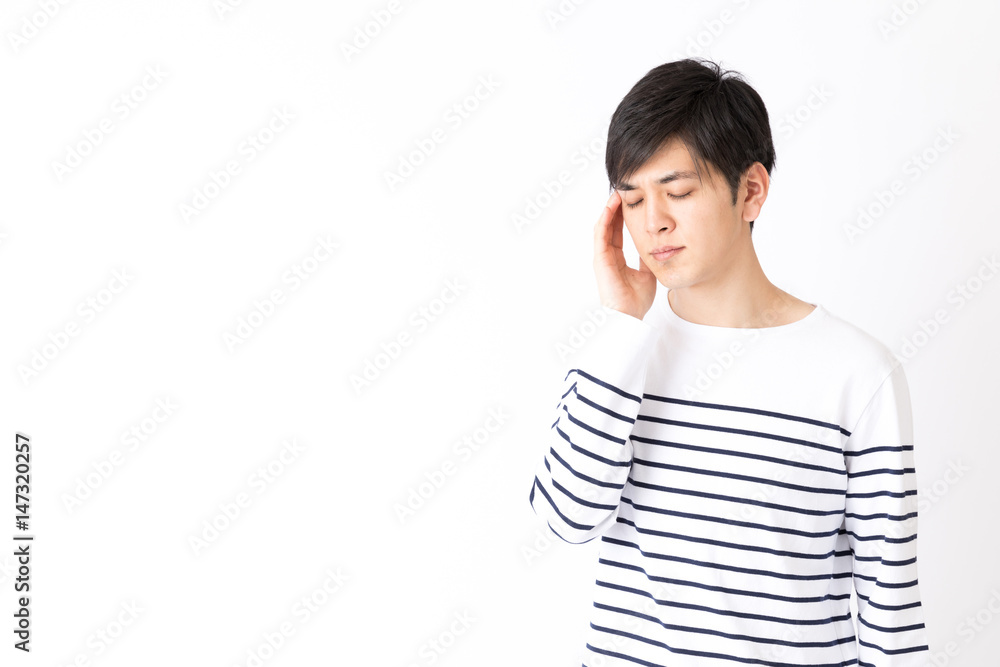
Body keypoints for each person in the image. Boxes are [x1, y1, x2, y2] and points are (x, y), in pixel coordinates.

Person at [527, 57, 930, 666]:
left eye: (679, 191)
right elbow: (565, 518)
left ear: (752, 191)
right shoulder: (618, 360)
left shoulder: (857, 375)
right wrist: (623, 326)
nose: (653, 221)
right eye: (632, 200)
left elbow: (890, 611)